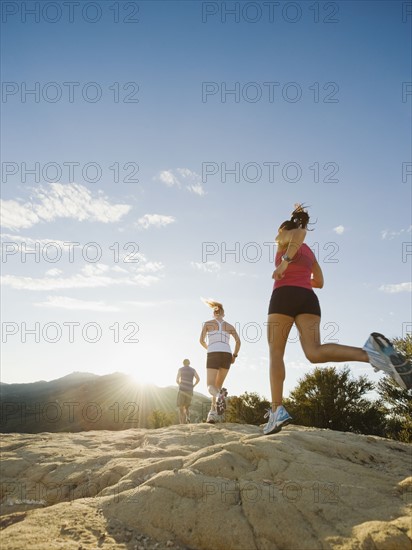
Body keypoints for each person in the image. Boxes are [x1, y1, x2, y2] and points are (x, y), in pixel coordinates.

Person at [264, 204, 411, 436]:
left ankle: (277, 410)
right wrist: (301, 277)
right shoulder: (310, 253)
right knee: (314, 352)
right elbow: (319, 282)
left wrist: (285, 262)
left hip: (283, 296)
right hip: (308, 299)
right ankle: (371, 354)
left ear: (284, 228)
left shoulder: (285, 236)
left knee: (275, 354)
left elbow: (300, 233)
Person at [199, 300, 241, 423]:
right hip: (227, 354)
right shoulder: (230, 326)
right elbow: (238, 342)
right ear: (223, 313)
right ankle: (212, 413)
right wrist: (234, 355)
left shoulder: (207, 323)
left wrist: (209, 348)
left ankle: (219, 397)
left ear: (214, 313)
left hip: (213, 353)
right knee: (218, 386)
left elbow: (201, 340)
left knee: (210, 386)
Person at [176, 359, 200, 424]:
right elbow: (198, 379)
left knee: (181, 408)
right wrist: (193, 385)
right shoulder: (193, 370)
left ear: (183, 363)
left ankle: (182, 423)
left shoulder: (180, 369)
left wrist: (180, 384)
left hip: (182, 390)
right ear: (189, 363)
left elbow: (177, 380)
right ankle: (188, 419)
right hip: (190, 390)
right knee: (187, 407)